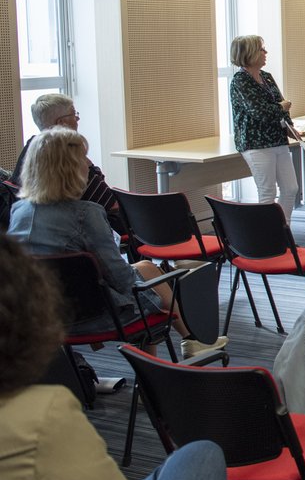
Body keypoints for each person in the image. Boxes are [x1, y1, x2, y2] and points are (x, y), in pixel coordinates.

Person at [0, 236, 236, 480]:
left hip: (81, 320)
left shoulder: (24, 215)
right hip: (107, 313)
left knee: (194, 458)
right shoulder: (36, 420)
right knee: (204, 454)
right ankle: (191, 339)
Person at [8, 128, 226, 359]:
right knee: (150, 292)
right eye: (83, 158)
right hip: (91, 315)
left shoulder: (19, 211)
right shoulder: (86, 214)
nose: (88, 165)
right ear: (68, 168)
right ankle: (167, 358)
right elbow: (119, 277)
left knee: (146, 268)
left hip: (40, 314)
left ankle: (189, 341)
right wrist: (158, 293)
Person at [229, 34, 299, 224]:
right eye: (261, 49)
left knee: (290, 188)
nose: (265, 52)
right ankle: (268, 235)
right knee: (267, 191)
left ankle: (283, 229)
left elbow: (280, 102)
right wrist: (282, 107)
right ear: (250, 53)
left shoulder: (266, 77)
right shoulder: (240, 81)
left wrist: (289, 126)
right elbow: (259, 112)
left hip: (277, 139)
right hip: (256, 143)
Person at [11, 93, 118, 214]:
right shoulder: (68, 156)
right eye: (73, 114)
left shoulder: (31, 149)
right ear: (62, 123)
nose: (77, 118)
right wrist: (90, 167)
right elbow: (111, 204)